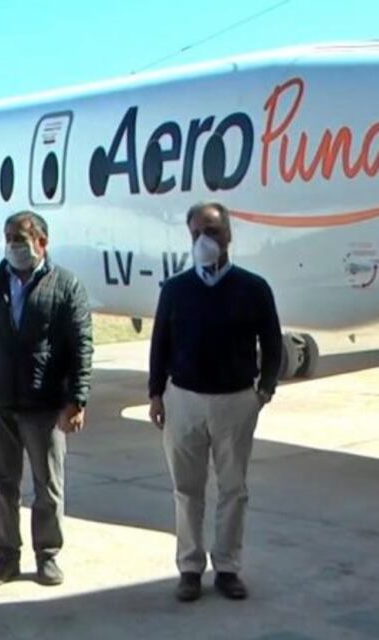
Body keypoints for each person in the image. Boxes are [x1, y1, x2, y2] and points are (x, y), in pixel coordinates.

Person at [148, 201, 282, 603]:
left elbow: (272, 342)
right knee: (187, 490)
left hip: (235, 401)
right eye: (197, 234)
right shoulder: (176, 289)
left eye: (212, 232)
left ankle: (227, 568)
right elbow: (160, 344)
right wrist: (156, 393)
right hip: (184, 399)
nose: (204, 241)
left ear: (228, 236)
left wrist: (265, 389)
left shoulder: (253, 288)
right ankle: (190, 568)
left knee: (233, 489)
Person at [0, 210, 93, 588]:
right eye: (9, 238)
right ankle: (6, 557)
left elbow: (81, 345)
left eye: (20, 238)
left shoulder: (66, 286)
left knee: (48, 485)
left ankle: (47, 556)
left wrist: (76, 399)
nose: (13, 246)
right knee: (3, 486)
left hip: (45, 405)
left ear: (42, 243)